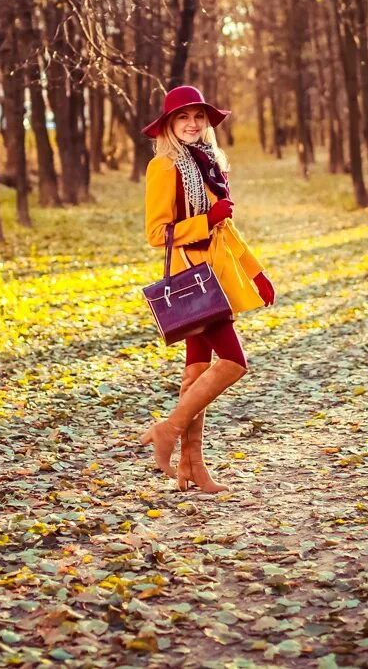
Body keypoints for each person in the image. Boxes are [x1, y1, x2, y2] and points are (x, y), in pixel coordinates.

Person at [139, 85, 276, 493]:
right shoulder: (164, 167)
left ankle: (191, 467)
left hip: (216, 274)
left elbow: (226, 228)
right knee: (234, 362)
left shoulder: (210, 163)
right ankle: (169, 428)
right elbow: (155, 233)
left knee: (197, 370)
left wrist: (256, 272)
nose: (192, 124)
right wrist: (206, 219)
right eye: (182, 117)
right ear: (168, 125)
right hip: (194, 280)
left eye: (198, 117)